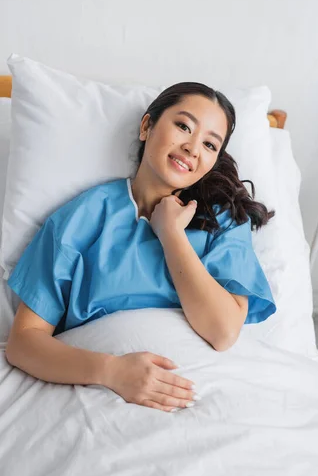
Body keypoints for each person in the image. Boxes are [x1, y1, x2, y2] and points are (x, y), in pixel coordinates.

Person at [5, 82, 276, 414]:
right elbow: (23, 343)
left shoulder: (223, 220)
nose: (192, 148)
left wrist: (171, 235)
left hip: (211, 395)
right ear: (147, 126)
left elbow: (223, 332)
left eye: (209, 144)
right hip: (105, 398)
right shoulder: (81, 218)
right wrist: (112, 371)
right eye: (183, 126)